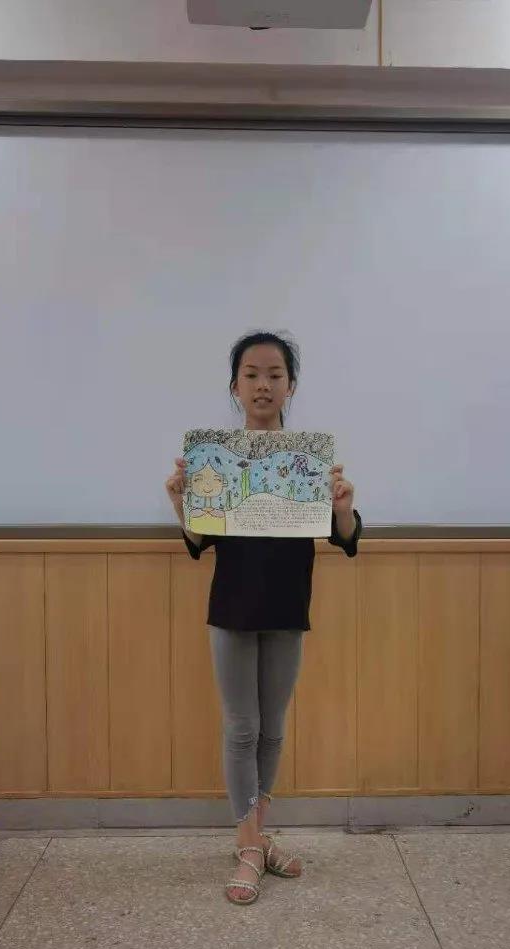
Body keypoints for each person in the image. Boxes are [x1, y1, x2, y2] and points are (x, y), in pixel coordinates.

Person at [165, 331, 361, 905]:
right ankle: (250, 844)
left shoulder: (307, 462)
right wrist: (181, 502)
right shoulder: (217, 458)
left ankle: (256, 837)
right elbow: (198, 541)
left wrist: (343, 508)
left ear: (290, 386)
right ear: (235, 386)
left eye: (275, 375)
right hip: (231, 607)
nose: (263, 385)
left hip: (288, 606)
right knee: (241, 728)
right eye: (251, 375)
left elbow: (347, 538)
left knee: (272, 728)